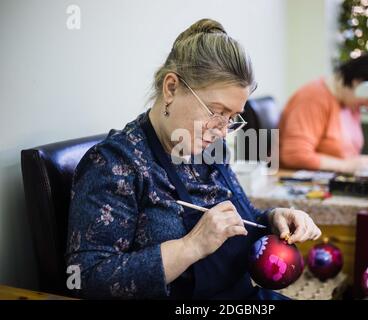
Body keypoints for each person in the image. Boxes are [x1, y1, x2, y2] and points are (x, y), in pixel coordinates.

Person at [66, 19, 321, 299]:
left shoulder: (211, 149)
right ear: (171, 88)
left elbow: (238, 220)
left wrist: (272, 220)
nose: (223, 130)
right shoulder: (116, 164)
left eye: (232, 118)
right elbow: (85, 278)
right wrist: (191, 246)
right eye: (216, 111)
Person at [279, 53, 368, 173]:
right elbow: (294, 154)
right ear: (357, 82)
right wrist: (346, 166)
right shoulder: (313, 99)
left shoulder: (350, 104)